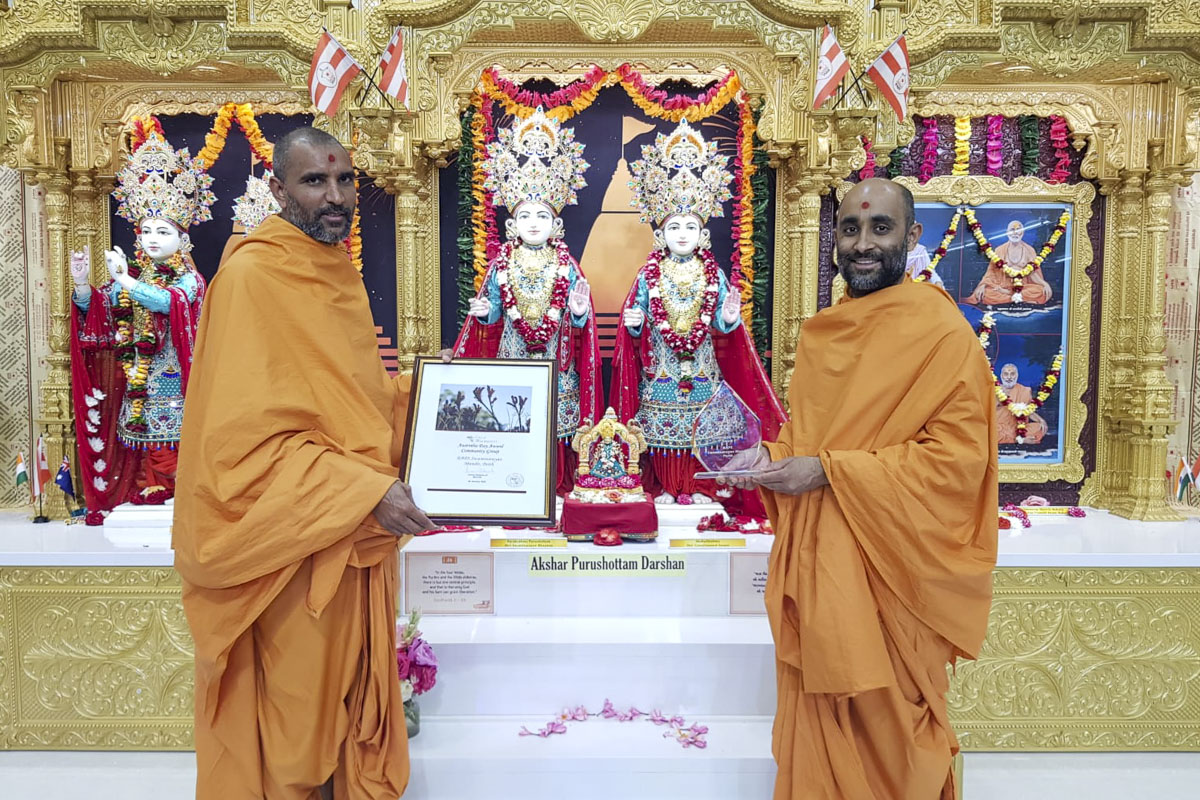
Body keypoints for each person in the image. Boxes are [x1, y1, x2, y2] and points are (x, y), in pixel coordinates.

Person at [173, 126, 434, 800]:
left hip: (348, 534)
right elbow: (241, 448)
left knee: (340, 713)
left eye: (345, 180)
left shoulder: (334, 271)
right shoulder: (254, 277)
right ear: (278, 188)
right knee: (298, 739)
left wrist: (438, 407)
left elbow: (356, 409)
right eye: (316, 181)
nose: (336, 195)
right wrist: (361, 488)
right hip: (289, 549)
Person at [725, 177, 998, 799]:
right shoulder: (827, 332)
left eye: (881, 228)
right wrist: (766, 457)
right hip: (828, 569)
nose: (864, 244)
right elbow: (811, 439)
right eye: (851, 229)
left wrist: (826, 471)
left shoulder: (943, 335)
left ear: (912, 236)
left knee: (894, 735)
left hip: (894, 576)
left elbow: (955, 465)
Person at [612, 119, 785, 508]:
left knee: (702, 427)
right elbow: (635, 317)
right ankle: (667, 487)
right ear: (660, 233)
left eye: (691, 225)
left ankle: (702, 485)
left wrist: (728, 316)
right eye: (674, 226)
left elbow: (725, 325)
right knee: (661, 429)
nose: (683, 233)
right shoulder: (649, 273)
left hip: (703, 368)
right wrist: (635, 324)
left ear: (704, 233)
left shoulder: (713, 273)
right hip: (663, 369)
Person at [69, 119, 213, 522]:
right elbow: (100, 309)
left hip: (177, 377)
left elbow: (168, 303)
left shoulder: (189, 279)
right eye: (145, 230)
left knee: (177, 442)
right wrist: (82, 286)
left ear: (182, 238)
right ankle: (148, 488)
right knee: (144, 438)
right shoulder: (138, 275)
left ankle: (178, 491)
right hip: (139, 379)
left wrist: (124, 279)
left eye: (161, 231)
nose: (151, 238)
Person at [453, 106, 603, 495]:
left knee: (554, 424)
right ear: (511, 223)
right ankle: (511, 486)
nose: (534, 222)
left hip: (557, 359)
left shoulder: (567, 265)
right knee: (514, 423)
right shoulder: (501, 265)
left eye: (542, 215)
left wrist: (580, 313)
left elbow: (581, 323)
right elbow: (496, 315)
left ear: (556, 223)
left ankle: (553, 485)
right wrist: (486, 317)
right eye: (525, 215)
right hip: (514, 357)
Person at [966, 219, 1052, 305]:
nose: (1015, 233)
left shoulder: (1029, 250)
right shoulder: (999, 250)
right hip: (1002, 286)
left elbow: (1033, 273)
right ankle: (1019, 298)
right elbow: (991, 272)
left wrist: (1044, 284)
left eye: (1018, 230)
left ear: (1022, 232)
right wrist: (983, 285)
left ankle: (1011, 296)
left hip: (1023, 286)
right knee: (987, 294)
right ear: (1007, 232)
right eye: (1012, 230)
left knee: (1040, 291)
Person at [995, 362, 1047, 444]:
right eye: (1006, 374)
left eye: (1012, 374)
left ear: (1017, 376)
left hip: (1018, 427)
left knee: (1039, 427)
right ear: (1001, 376)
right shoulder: (995, 391)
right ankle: (1019, 440)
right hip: (999, 427)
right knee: (990, 432)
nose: (1009, 377)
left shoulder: (1024, 390)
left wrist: (1040, 420)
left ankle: (1018, 438)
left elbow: (1028, 410)